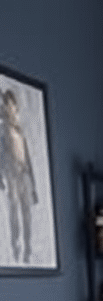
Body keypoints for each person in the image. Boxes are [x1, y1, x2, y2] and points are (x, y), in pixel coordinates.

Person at [0, 87, 38, 264]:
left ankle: (28, 247)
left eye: (12, 104)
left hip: (25, 175)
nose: (9, 107)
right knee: (14, 213)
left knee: (27, 214)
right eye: (6, 104)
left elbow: (28, 156)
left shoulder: (20, 129)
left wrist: (34, 186)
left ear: (16, 106)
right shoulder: (2, 127)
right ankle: (16, 247)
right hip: (12, 176)